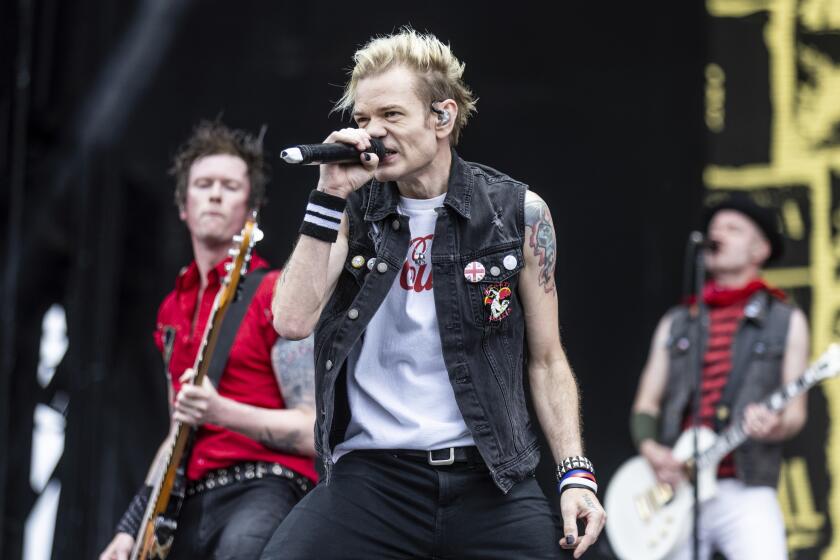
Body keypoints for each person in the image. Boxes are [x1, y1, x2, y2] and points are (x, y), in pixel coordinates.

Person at [266, 28, 605, 560]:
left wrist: (575, 474)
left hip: (489, 477)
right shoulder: (351, 209)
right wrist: (328, 195)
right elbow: (290, 320)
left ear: (442, 118)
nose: (372, 134)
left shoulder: (517, 213)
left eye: (391, 116)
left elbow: (546, 359)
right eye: (361, 120)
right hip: (373, 480)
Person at [99, 121, 317, 560]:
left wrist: (223, 412)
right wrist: (130, 526)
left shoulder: (277, 294)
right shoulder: (171, 311)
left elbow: (315, 431)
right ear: (183, 205)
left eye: (229, 186)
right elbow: (177, 429)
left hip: (265, 487)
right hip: (188, 500)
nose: (215, 194)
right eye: (203, 184)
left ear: (250, 209)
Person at [630, 193, 810, 560]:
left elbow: (796, 412)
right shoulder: (677, 321)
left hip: (744, 487)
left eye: (733, 229)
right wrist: (652, 451)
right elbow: (646, 402)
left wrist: (773, 426)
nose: (719, 235)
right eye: (714, 229)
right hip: (676, 484)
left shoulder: (786, 320)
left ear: (759, 250)